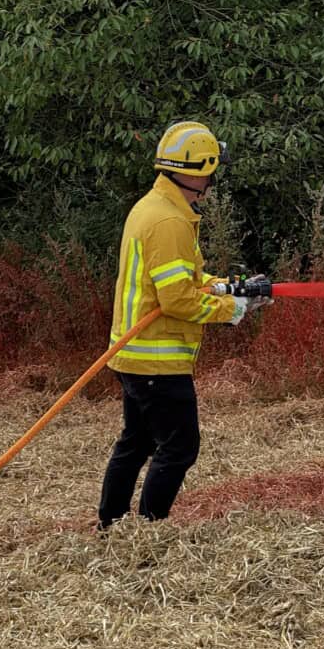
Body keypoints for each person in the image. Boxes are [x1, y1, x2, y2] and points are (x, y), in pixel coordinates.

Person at [97, 121, 266, 530]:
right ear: (196, 171)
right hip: (157, 359)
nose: (213, 179)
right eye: (211, 170)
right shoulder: (169, 222)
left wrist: (231, 287)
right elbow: (176, 300)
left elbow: (185, 279)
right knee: (179, 447)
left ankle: (112, 526)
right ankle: (150, 528)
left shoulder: (157, 208)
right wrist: (233, 310)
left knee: (136, 443)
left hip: (135, 355)